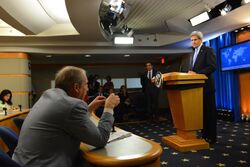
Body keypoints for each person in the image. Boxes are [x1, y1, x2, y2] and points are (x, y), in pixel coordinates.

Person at [12, 66, 120, 167]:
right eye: (86, 84)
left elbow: (66, 117)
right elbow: (100, 139)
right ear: (76, 87)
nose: (87, 89)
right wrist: (109, 108)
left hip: (25, 162)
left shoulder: (48, 95)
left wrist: (90, 108)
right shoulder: (73, 105)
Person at [188, 31, 217, 144]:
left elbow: (212, 67)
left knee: (210, 113)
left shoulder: (208, 50)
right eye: (192, 40)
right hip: (197, 89)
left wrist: (197, 74)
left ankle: (212, 137)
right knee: (202, 113)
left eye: (195, 40)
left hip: (207, 87)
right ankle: (205, 136)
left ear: (201, 40)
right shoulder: (192, 53)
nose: (193, 42)